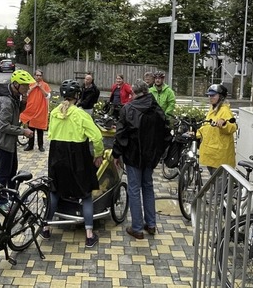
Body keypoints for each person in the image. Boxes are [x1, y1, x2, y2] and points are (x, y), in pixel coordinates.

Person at [42, 79, 104, 248]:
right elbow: (97, 137)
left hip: (56, 156)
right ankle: (89, 235)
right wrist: (98, 154)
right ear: (77, 96)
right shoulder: (81, 114)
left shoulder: (54, 112)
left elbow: (51, 135)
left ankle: (45, 227)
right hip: (77, 157)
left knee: (54, 191)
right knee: (85, 194)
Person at [112, 80, 170, 239]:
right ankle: (151, 224)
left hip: (133, 155)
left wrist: (116, 154)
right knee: (148, 187)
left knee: (134, 189)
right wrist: (157, 153)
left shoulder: (128, 109)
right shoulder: (157, 108)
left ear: (134, 93)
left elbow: (121, 134)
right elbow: (166, 133)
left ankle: (137, 227)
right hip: (150, 156)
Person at [0, 70, 35, 211]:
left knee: (12, 170)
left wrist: (23, 104)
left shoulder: (12, 95)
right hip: (2, 141)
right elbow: (3, 126)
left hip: (7, 140)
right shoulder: (7, 101)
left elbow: (14, 114)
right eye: (25, 85)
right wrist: (23, 131)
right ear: (15, 84)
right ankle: (2, 201)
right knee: (4, 172)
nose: (27, 88)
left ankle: (13, 196)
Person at [197, 84, 237, 197]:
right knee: (215, 180)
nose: (210, 98)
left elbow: (232, 126)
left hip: (220, 154)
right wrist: (196, 133)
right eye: (209, 95)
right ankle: (219, 201)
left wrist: (223, 124)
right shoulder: (213, 109)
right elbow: (206, 127)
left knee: (219, 184)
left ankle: (219, 205)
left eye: (213, 96)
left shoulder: (225, 111)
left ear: (221, 97)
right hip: (211, 153)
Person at [20, 69, 51, 152]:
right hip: (31, 110)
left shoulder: (45, 85)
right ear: (34, 76)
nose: (38, 77)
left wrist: (40, 88)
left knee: (40, 129)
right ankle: (30, 145)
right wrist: (34, 87)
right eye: (37, 75)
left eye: (40, 75)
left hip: (41, 110)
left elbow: (47, 96)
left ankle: (41, 146)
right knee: (31, 129)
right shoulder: (30, 84)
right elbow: (25, 93)